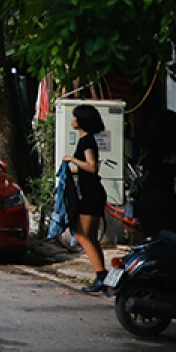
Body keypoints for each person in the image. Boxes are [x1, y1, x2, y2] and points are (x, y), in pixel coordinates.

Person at [61, 104, 108, 293]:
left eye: (75, 117)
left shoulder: (86, 141)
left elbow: (91, 166)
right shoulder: (86, 140)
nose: (72, 120)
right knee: (90, 237)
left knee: (82, 235)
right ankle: (102, 275)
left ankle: (101, 274)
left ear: (81, 121)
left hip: (91, 194)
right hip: (91, 191)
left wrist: (72, 160)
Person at [133, 110, 176, 240]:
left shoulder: (149, 147)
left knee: (150, 236)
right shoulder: (174, 150)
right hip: (165, 196)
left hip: (147, 196)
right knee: (170, 237)